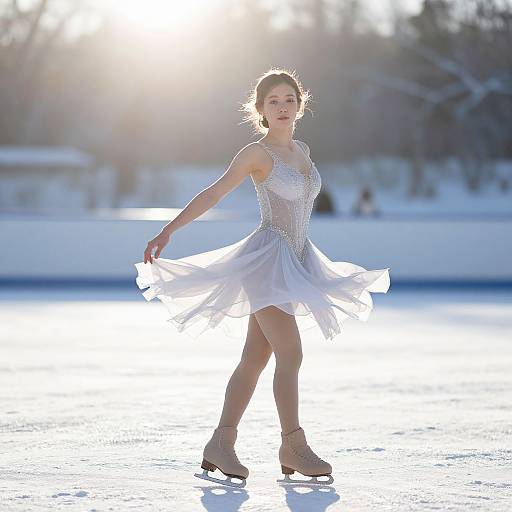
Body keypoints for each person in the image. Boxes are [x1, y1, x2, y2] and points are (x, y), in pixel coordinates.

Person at [134, 68, 391, 487]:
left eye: (289, 98)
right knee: (290, 351)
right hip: (266, 261)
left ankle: (221, 444)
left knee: (256, 358)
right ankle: (292, 444)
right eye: (273, 101)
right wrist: (169, 230)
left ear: (299, 104)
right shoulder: (256, 154)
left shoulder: (304, 150)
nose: (282, 106)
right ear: (261, 110)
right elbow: (214, 193)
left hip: (296, 259)